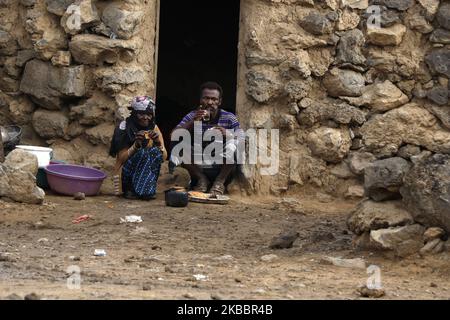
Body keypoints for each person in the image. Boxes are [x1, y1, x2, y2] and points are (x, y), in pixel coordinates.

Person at [171, 82, 241, 196]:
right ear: (200, 100)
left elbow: (244, 139)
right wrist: (193, 121)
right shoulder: (193, 115)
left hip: (221, 167)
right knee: (179, 143)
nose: (209, 102)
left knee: (236, 143)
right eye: (206, 98)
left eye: (214, 99)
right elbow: (173, 135)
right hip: (198, 167)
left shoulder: (229, 117)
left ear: (219, 101)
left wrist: (228, 133)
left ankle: (219, 183)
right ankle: (202, 180)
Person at [109, 96, 167, 200]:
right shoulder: (124, 127)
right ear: (134, 114)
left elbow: (163, 157)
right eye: (141, 114)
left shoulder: (154, 128)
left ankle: (147, 190)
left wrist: (158, 143)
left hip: (145, 171)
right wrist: (136, 145)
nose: (146, 117)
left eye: (149, 114)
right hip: (127, 173)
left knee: (155, 152)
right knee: (142, 153)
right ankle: (130, 190)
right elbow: (121, 158)